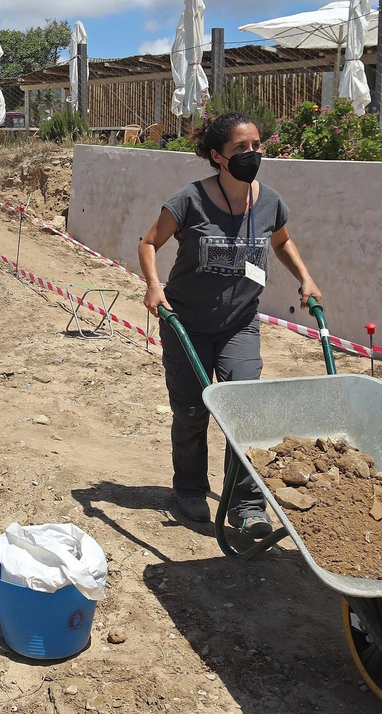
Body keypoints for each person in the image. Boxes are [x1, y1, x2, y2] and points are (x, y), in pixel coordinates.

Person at [138, 112, 322, 536]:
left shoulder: (270, 201)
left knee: (245, 412)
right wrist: (153, 285)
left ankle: (247, 504)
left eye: (256, 145)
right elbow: (149, 243)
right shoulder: (189, 200)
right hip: (185, 322)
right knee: (189, 412)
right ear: (218, 156)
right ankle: (189, 488)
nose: (252, 153)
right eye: (241, 148)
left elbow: (282, 240)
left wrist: (306, 278)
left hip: (239, 324)